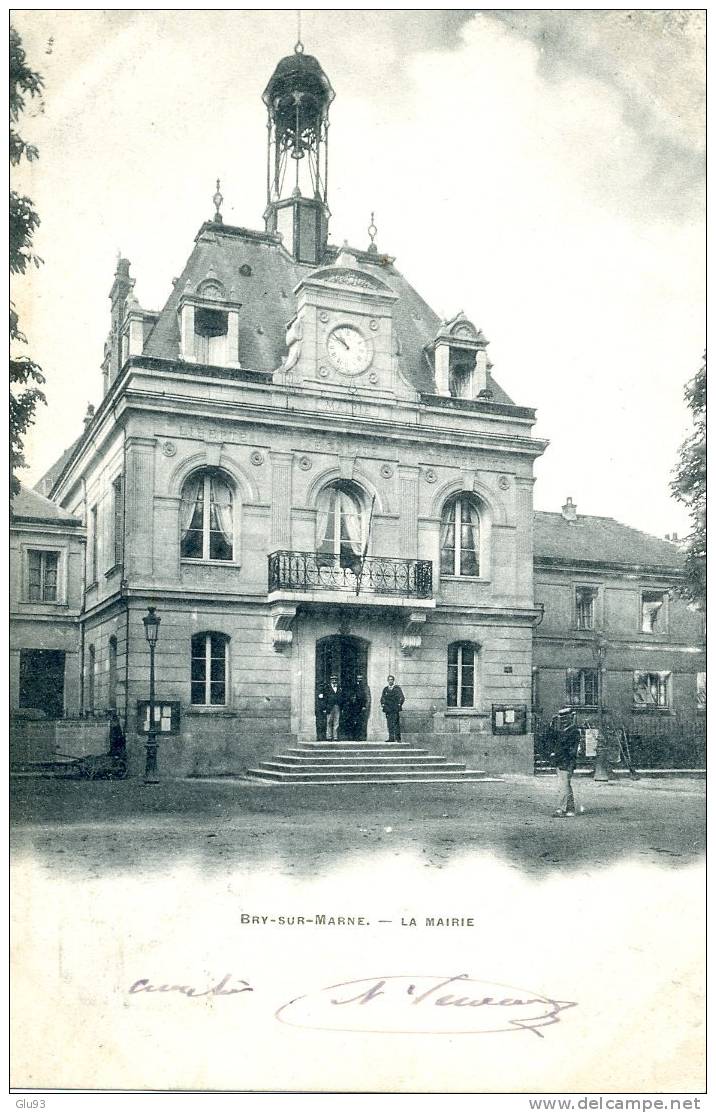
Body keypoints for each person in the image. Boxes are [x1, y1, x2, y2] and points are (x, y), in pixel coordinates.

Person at [551, 707, 581, 817]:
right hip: (561, 761)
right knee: (566, 785)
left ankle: (561, 809)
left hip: (567, 762)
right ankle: (570, 809)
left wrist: (558, 754)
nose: (563, 720)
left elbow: (571, 750)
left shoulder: (573, 731)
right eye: (562, 718)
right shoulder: (563, 730)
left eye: (565, 718)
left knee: (563, 785)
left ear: (570, 718)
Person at [380, 675, 405, 742]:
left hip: (395, 709)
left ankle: (398, 738)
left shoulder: (397, 688)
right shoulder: (385, 689)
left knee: (396, 723)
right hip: (388, 709)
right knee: (389, 724)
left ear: (393, 680)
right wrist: (383, 704)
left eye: (391, 679)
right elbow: (382, 698)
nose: (390, 681)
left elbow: (402, 697)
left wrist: (399, 704)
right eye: (389, 679)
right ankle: (391, 738)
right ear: (387, 681)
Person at [320, 674, 342, 741]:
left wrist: (341, 707)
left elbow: (341, 698)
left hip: (337, 706)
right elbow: (324, 699)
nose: (334, 681)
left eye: (335, 679)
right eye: (333, 679)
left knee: (336, 722)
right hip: (329, 707)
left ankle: (335, 737)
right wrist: (324, 708)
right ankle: (329, 737)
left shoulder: (339, 688)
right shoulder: (327, 688)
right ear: (331, 680)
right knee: (329, 721)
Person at [354, 673, 371, 741]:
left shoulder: (365, 687)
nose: (359, 680)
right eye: (358, 679)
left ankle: (361, 736)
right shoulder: (355, 686)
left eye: (360, 679)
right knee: (355, 721)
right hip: (355, 707)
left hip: (362, 707)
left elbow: (367, 697)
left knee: (361, 722)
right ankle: (355, 736)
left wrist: (365, 706)